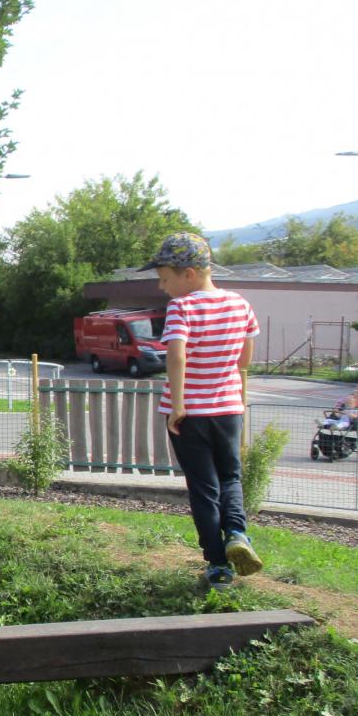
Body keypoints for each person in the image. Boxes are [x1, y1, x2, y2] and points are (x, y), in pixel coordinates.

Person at [148, 232, 263, 591]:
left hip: (190, 415)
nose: (162, 287)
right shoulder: (240, 304)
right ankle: (238, 534)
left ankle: (218, 565)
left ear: (189, 274)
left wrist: (178, 405)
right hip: (229, 409)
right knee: (230, 477)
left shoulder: (182, 307)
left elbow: (176, 355)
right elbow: (244, 359)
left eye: (165, 279)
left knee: (203, 487)